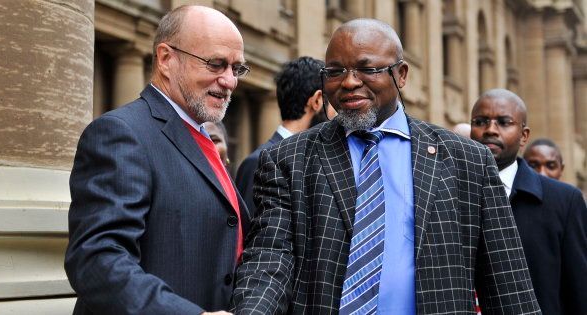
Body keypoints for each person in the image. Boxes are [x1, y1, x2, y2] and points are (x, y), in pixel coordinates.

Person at [232, 18, 540, 314]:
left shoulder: (467, 161)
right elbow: (270, 260)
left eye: (367, 69)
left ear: (401, 74)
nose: (350, 82)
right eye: (336, 71)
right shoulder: (288, 159)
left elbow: (507, 285)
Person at [65, 5, 251, 315]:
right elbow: (97, 261)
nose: (229, 81)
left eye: (237, 68)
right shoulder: (121, 133)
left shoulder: (200, 136)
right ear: (166, 59)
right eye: (216, 64)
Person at [470, 88, 587, 315]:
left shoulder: (564, 201)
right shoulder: (448, 192)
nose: (490, 130)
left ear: (524, 135)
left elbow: (579, 292)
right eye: (481, 121)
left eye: (504, 122)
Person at [235, 56, 327, 212]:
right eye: (332, 102)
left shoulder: (313, 160)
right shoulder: (257, 162)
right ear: (317, 101)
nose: (335, 114)